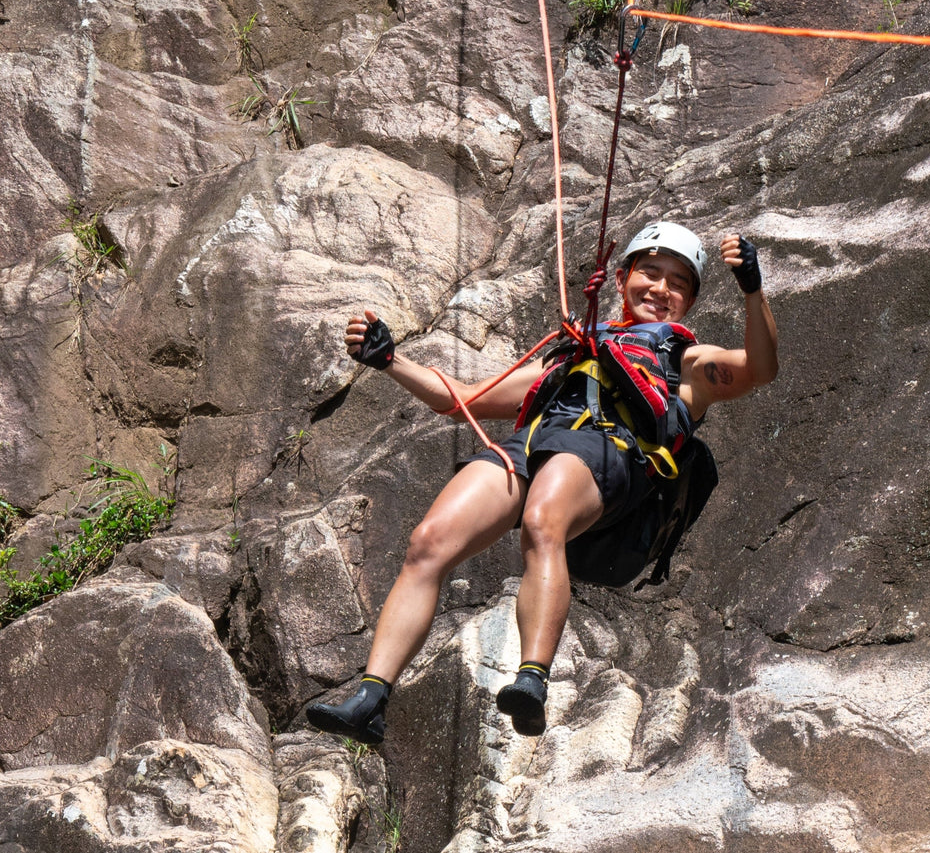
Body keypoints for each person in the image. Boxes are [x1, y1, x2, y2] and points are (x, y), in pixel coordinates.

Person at [306, 222, 778, 742]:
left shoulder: (686, 363)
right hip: (534, 445)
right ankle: (372, 697)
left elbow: (760, 368)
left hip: (609, 450)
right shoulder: (577, 352)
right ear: (622, 279)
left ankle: (532, 678)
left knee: (542, 520)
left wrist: (752, 292)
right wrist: (391, 361)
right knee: (428, 542)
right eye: (650, 272)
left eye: (678, 283)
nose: (661, 289)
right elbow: (461, 398)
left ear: (689, 302)